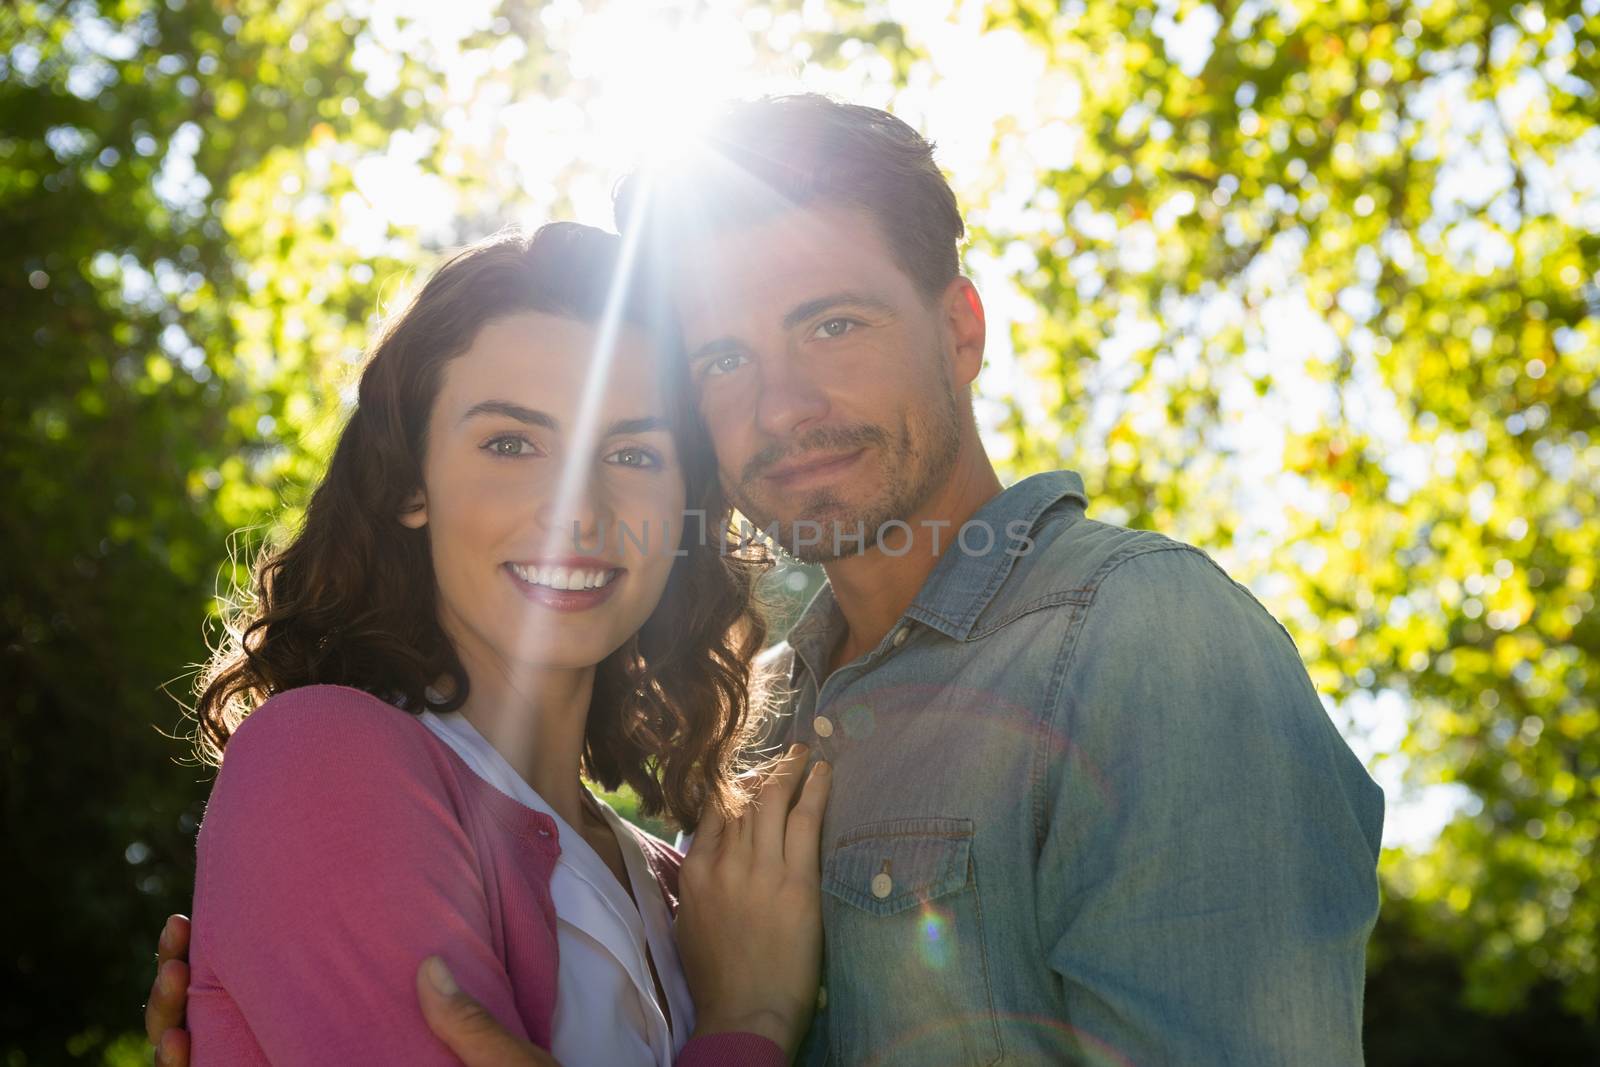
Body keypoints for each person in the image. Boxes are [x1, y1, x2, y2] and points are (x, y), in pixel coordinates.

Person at [150, 95, 1386, 1065]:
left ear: (961, 328)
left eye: (833, 324)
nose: (785, 405)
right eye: (725, 355)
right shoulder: (744, 758)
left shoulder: (1147, 638)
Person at [155, 221, 831, 1066]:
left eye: (632, 451)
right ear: (409, 482)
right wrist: (750, 1022)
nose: (577, 510)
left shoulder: (688, 887)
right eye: (511, 443)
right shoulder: (320, 760)